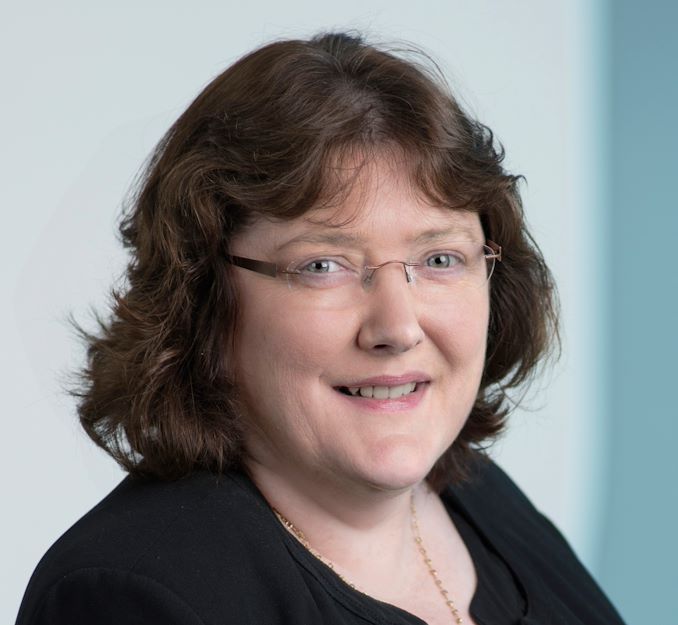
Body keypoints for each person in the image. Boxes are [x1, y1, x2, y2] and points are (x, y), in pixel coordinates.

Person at [16, 32, 626, 625]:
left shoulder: (482, 500)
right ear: (204, 300)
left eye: (440, 259)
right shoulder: (132, 597)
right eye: (322, 266)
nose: (398, 328)